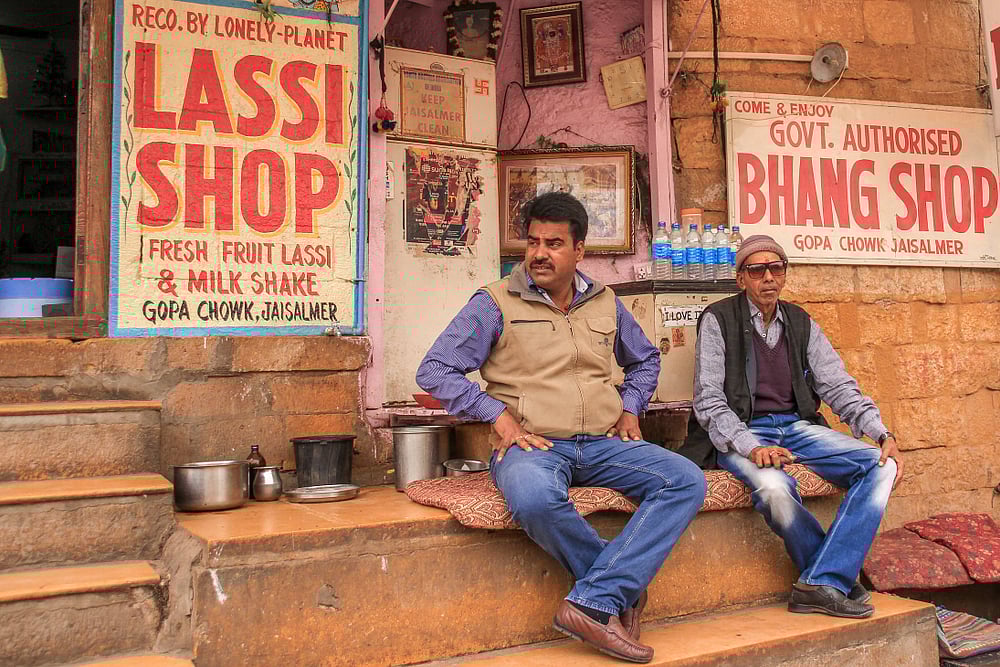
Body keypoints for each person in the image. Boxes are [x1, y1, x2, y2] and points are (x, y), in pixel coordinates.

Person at [417, 192, 706, 663]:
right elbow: (436, 370)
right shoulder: (494, 303)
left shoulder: (605, 301)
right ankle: (613, 595)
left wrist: (631, 408)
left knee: (685, 480)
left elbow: (646, 360)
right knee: (532, 499)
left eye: (554, 243)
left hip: (605, 443)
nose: (539, 254)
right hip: (535, 445)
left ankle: (592, 600)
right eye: (532, 242)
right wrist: (498, 416)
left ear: (579, 252)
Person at [688, 234, 904, 619]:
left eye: (776, 268)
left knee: (883, 464)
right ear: (741, 279)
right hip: (744, 431)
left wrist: (881, 433)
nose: (768, 277)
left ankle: (821, 579)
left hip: (796, 427)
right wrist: (750, 445)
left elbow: (838, 385)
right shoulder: (718, 319)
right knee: (774, 487)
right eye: (757, 269)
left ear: (784, 274)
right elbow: (709, 401)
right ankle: (830, 579)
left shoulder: (800, 322)